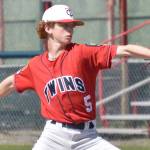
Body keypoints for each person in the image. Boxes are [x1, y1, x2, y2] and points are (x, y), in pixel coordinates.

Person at [0, 4, 150, 150]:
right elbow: (9, 84)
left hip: (87, 138)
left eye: (71, 25)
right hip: (53, 137)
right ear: (47, 28)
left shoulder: (82, 52)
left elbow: (125, 50)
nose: (69, 29)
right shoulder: (35, 65)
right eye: (64, 25)